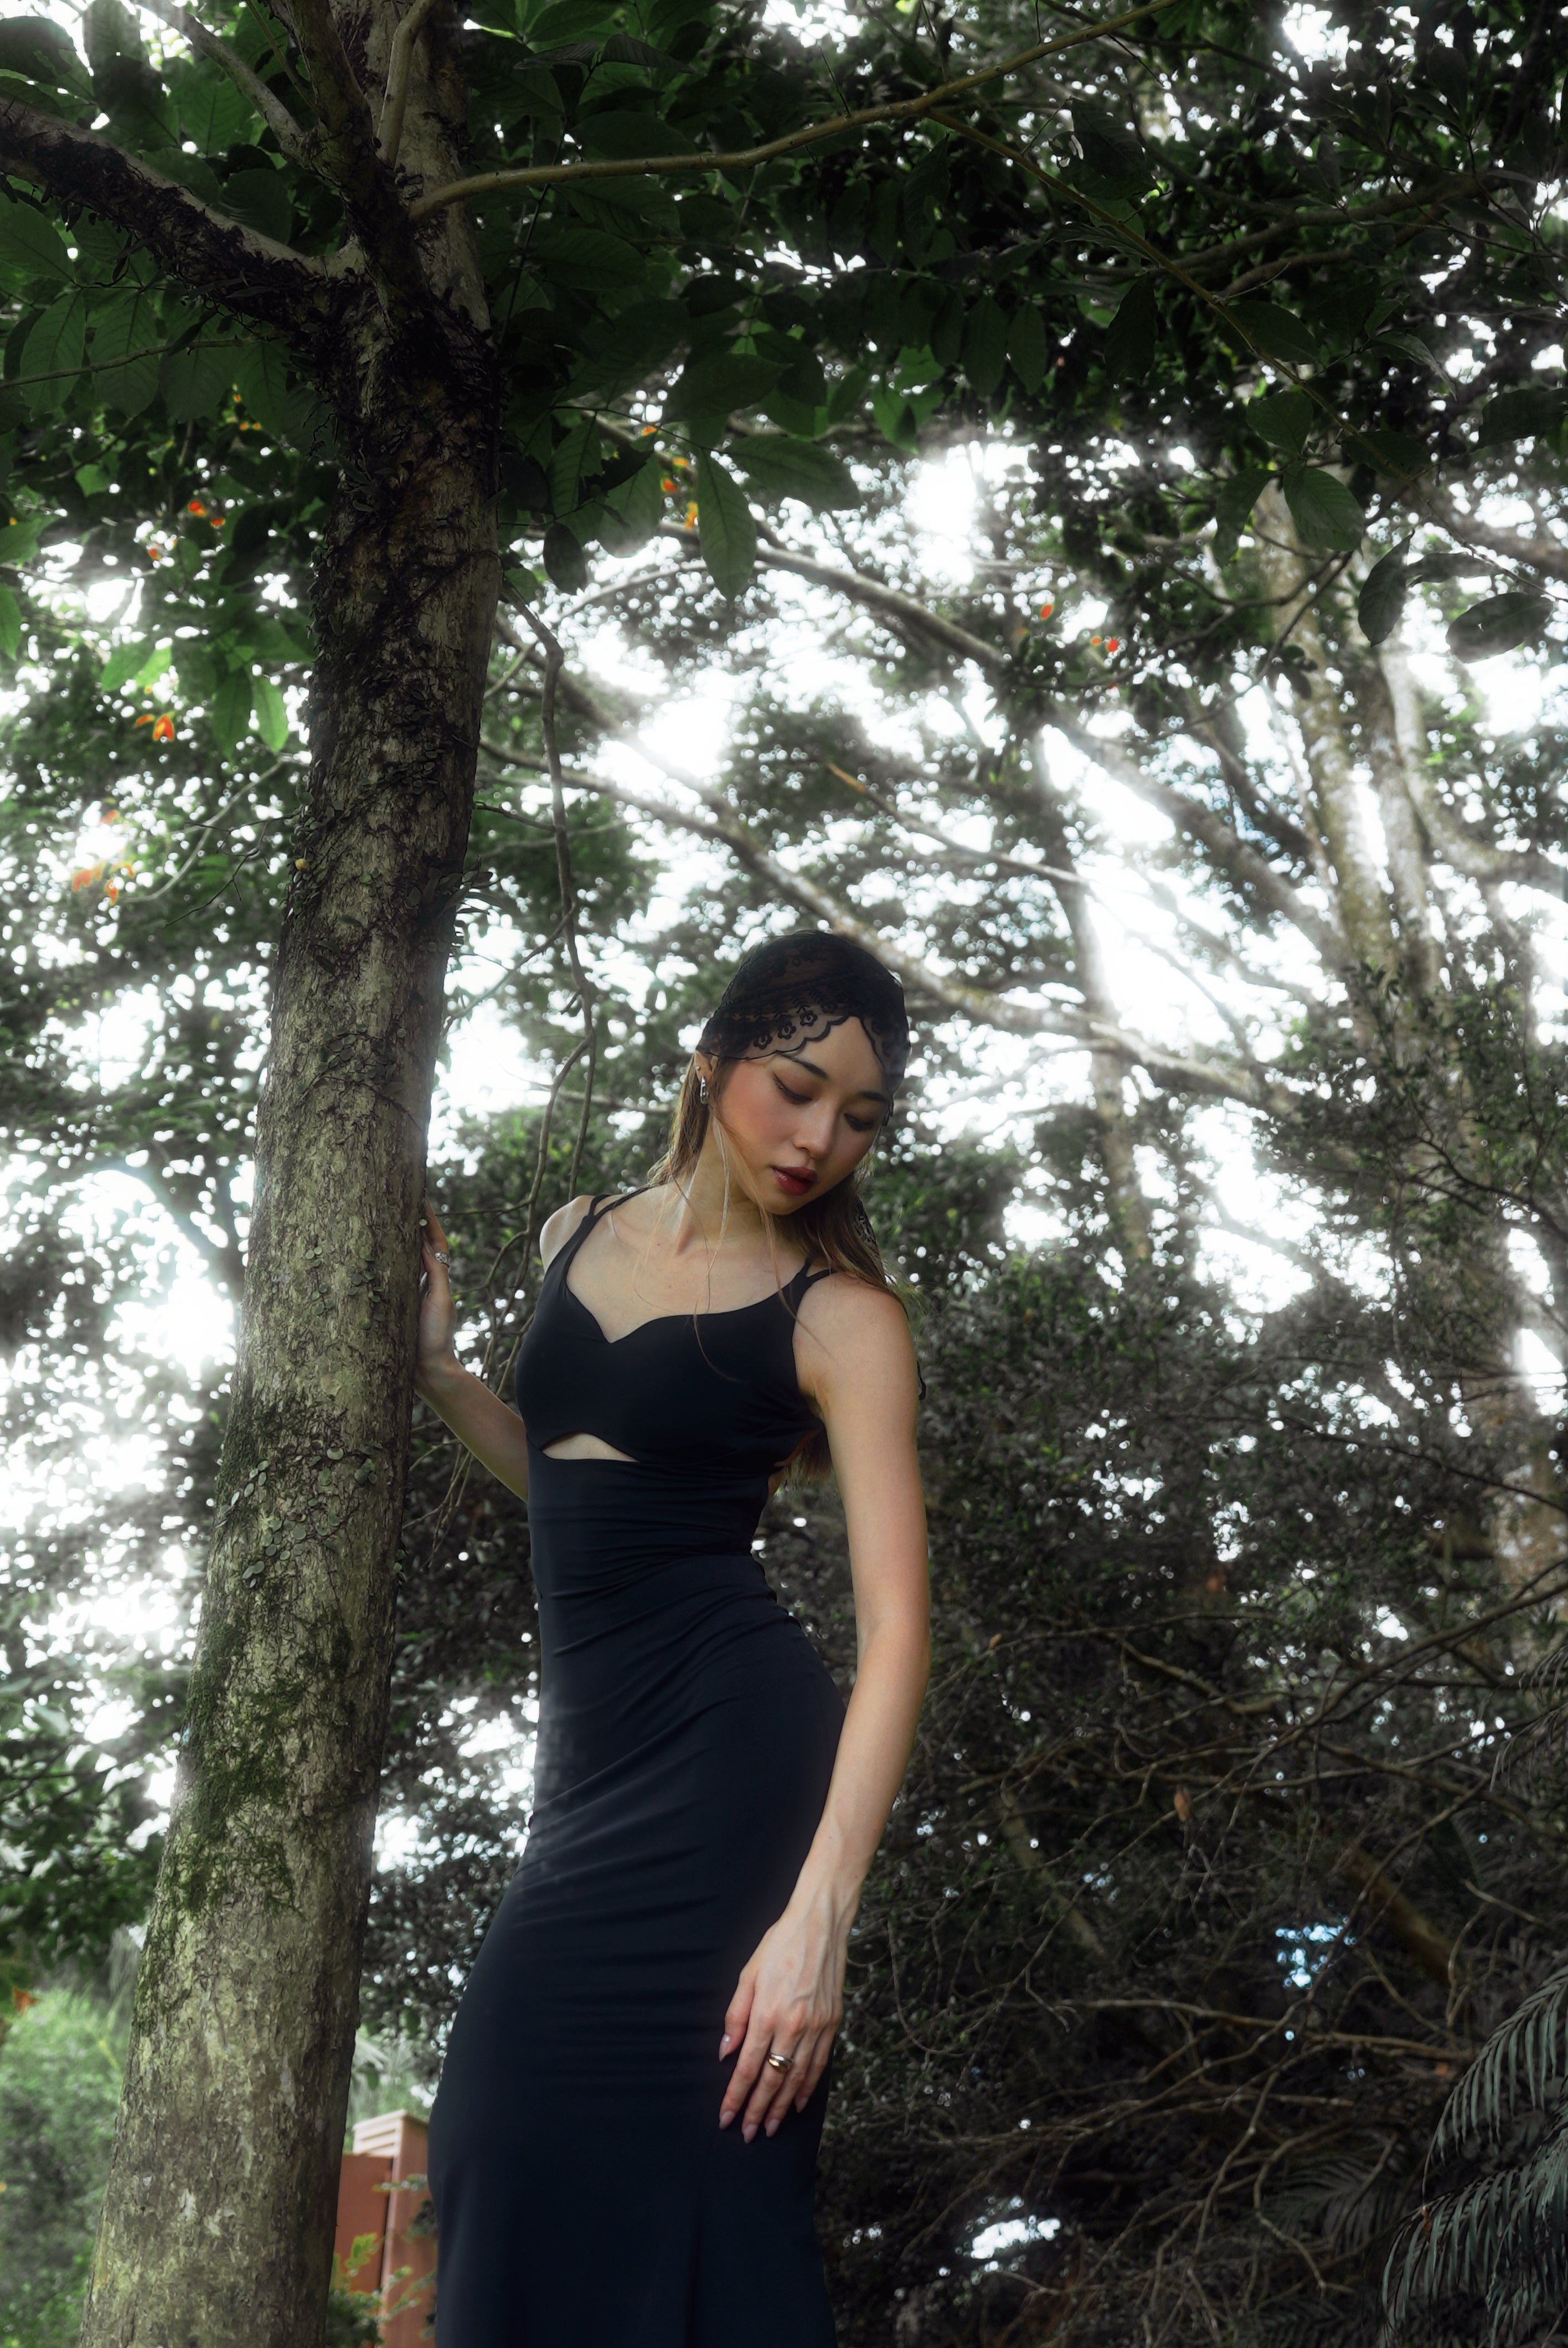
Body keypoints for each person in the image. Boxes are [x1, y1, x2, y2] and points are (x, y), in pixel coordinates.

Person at [416, 929, 931, 2346]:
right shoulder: (577, 1227)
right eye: (797, 1088)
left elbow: (898, 1628)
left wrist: (820, 1917)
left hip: (732, 1773)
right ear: (711, 1063)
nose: (820, 1138)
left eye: (861, 1116)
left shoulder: (842, 1317)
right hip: (590, 1772)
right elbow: (581, 1492)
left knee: (715, 2183)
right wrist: (442, 1373)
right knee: (496, 2141)